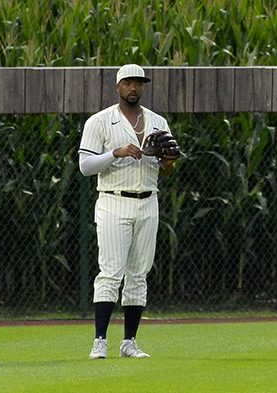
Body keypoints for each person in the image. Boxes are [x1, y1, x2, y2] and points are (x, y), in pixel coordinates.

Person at [77, 62, 181, 359]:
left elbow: (166, 168)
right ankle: (100, 340)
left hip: (149, 200)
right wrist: (115, 152)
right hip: (113, 200)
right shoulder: (100, 121)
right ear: (118, 86)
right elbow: (85, 166)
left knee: (138, 273)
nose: (133, 88)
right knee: (111, 272)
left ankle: (129, 342)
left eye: (139, 83)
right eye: (128, 83)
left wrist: (170, 162)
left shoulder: (158, 122)